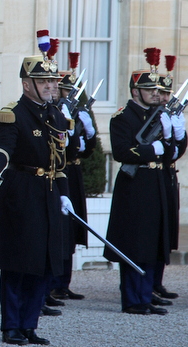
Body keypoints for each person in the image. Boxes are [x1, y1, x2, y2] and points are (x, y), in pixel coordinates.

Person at [0, 32, 78, 345]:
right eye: (43, 82)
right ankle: (11, 325)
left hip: (49, 193)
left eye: (52, 81)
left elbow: (59, 163)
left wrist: (65, 195)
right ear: (27, 84)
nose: (51, 86)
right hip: (21, 193)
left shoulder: (56, 115)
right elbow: (3, 147)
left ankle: (30, 324)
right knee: (17, 262)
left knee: (44, 263)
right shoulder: (14, 114)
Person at [105, 48, 185, 315]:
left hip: (157, 182)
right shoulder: (122, 117)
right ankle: (133, 299)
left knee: (153, 240)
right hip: (135, 184)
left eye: (156, 90)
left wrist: (176, 135)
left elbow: (172, 152)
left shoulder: (159, 114)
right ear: (135, 91)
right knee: (134, 241)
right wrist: (153, 150)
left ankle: (146, 293)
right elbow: (121, 152)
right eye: (148, 90)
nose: (155, 93)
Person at [48, 52, 96, 306]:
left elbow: (85, 152)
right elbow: (61, 149)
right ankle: (52, 284)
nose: (68, 95)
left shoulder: (72, 111)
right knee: (59, 230)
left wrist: (89, 132)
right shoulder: (53, 113)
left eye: (70, 91)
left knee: (72, 230)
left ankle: (63, 284)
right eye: (65, 90)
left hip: (73, 174)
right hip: (58, 172)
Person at [151, 55, 183, 306]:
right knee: (153, 229)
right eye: (160, 93)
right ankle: (148, 284)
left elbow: (177, 152)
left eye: (166, 93)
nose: (163, 98)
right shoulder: (151, 118)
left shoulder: (167, 115)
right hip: (155, 174)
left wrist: (180, 134)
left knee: (166, 229)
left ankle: (157, 281)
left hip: (169, 174)